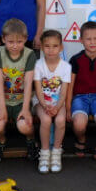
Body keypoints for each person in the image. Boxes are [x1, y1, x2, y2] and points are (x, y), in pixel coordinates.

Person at [0, 18, 38, 164]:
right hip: (3, 100)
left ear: (25, 39)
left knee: (25, 126)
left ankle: (31, 140)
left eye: (19, 42)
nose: (15, 46)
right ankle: (1, 141)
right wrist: (1, 108)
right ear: (3, 39)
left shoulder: (30, 55)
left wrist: (25, 109)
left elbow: (29, 83)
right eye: (10, 42)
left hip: (21, 101)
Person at [67, 21, 96, 161]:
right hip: (79, 98)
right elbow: (70, 86)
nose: (92, 42)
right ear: (81, 40)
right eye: (88, 39)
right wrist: (68, 107)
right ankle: (81, 139)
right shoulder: (75, 60)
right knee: (79, 124)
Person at [33, 30, 71, 173]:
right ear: (42, 47)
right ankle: (44, 153)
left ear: (61, 47)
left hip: (58, 103)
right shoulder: (38, 65)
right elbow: (37, 90)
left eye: (55, 46)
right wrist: (45, 106)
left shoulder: (66, 67)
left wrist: (57, 107)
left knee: (60, 120)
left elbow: (63, 93)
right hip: (40, 102)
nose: (51, 50)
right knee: (46, 120)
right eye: (47, 46)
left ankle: (56, 152)